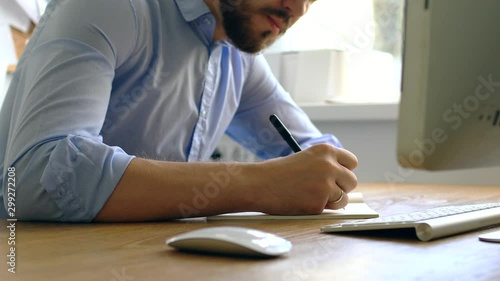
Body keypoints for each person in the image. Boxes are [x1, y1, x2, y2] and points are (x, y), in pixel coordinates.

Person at [0, 0, 358, 222]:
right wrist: (259, 185)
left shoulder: (238, 56)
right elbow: (39, 177)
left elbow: (317, 152)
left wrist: (327, 177)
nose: (297, 8)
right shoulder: (111, 6)